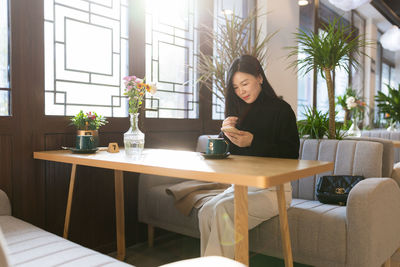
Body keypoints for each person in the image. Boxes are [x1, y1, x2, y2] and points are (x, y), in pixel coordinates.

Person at [198, 55, 300, 258]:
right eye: (236, 87)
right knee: (206, 211)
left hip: (274, 190)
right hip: (240, 187)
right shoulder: (237, 111)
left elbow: (291, 155)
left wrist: (253, 141)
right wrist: (223, 132)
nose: (241, 91)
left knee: (223, 210)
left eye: (245, 83)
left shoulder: (282, 110)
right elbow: (222, 153)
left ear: (259, 78)